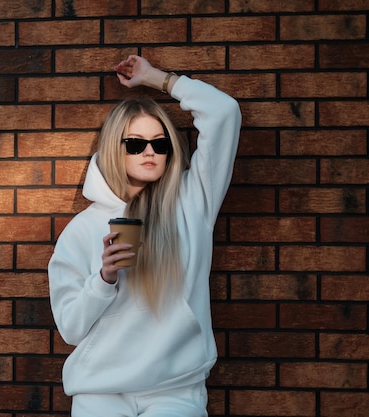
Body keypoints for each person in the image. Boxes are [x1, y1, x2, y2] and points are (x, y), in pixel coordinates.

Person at [47, 55, 242, 417]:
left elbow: (224, 112)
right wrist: (103, 279)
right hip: (100, 389)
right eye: (135, 144)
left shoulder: (191, 202)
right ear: (114, 149)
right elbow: (71, 329)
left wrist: (157, 78)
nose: (149, 151)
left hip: (175, 389)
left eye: (160, 143)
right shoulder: (83, 229)